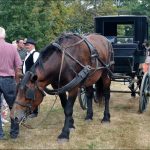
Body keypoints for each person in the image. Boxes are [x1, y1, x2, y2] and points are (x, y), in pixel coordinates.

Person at [0, 27, 22, 139]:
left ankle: (0, 134)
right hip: (8, 79)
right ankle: (14, 133)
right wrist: (17, 80)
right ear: (4, 35)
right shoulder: (12, 48)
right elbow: (18, 65)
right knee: (13, 106)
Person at [23, 38, 40, 118]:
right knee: (27, 94)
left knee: (32, 94)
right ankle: (29, 110)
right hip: (26, 77)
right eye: (26, 45)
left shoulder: (35, 54)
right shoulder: (28, 54)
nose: (26, 46)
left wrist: (32, 77)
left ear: (33, 45)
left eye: (28, 45)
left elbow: (36, 66)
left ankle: (34, 112)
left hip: (32, 77)